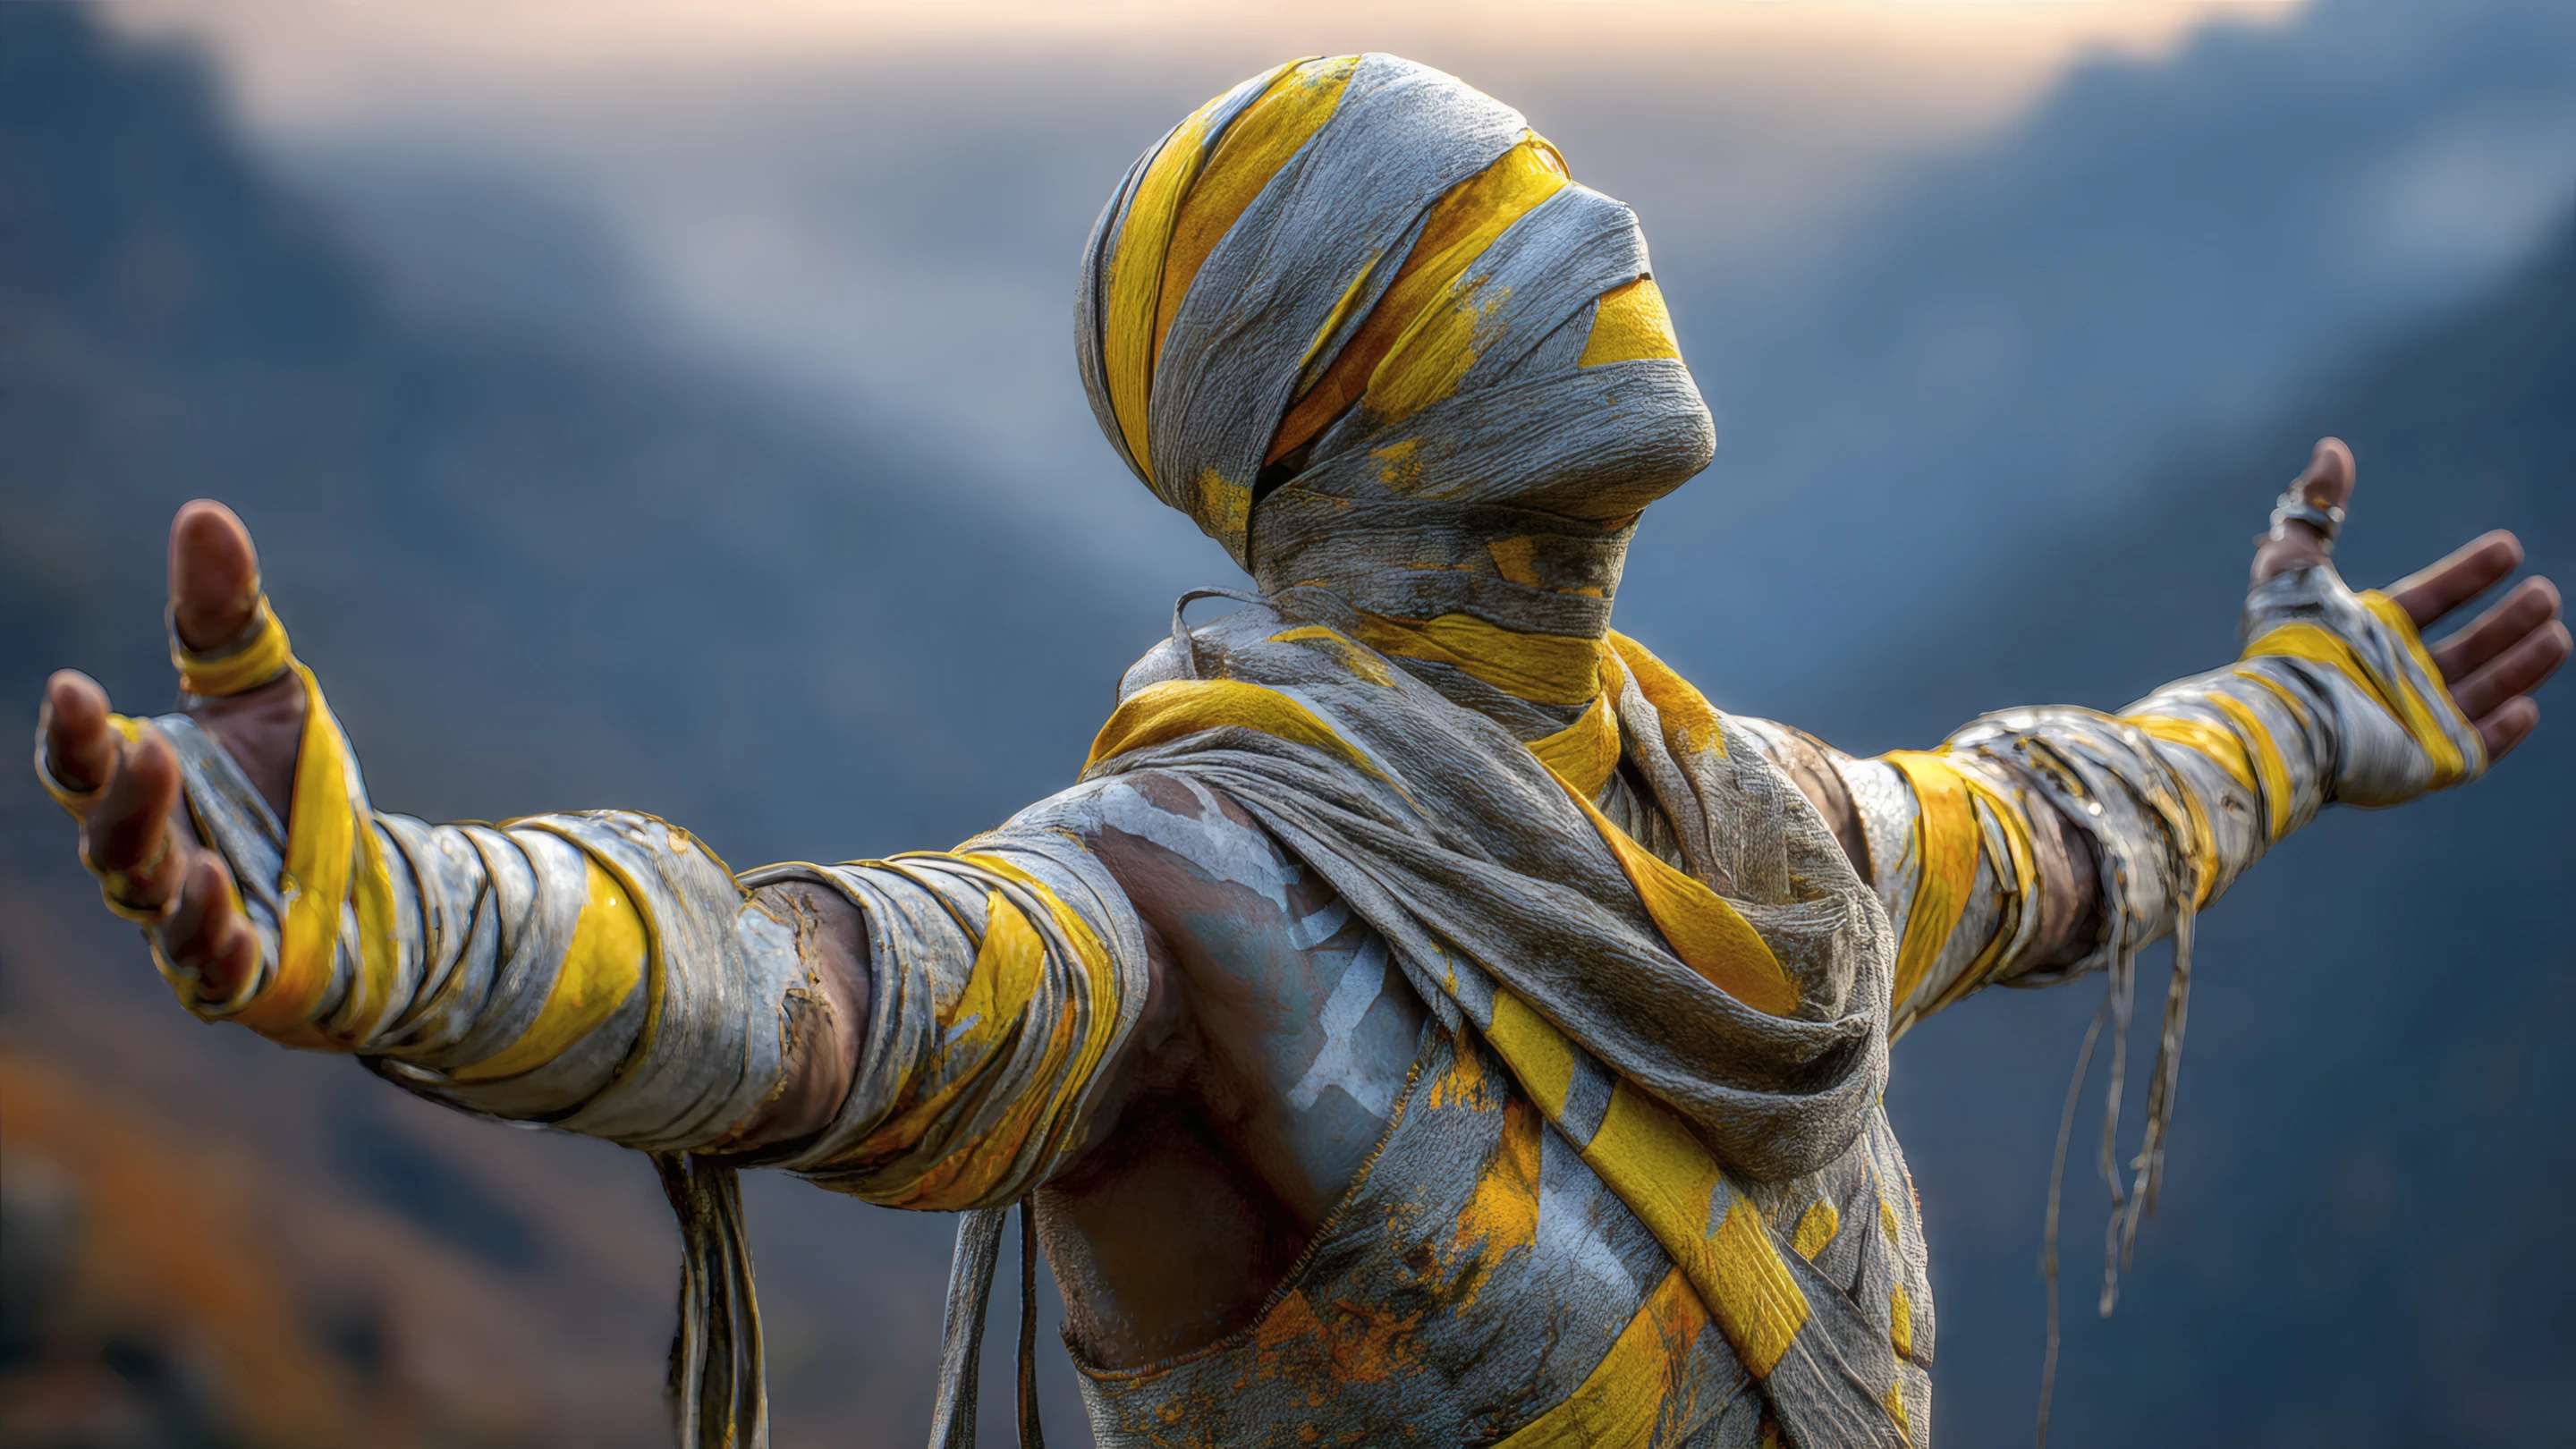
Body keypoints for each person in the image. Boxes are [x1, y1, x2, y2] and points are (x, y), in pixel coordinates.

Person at [32, 55, 2566, 1449]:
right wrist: (395, 925)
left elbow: (2074, 816)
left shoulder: (1771, 845)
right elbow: (810, 993)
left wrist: (2306, 707)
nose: (1598, 229)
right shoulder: (1182, 919)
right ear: (1312, 403)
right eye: (1482, 222)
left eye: (1558, 175)